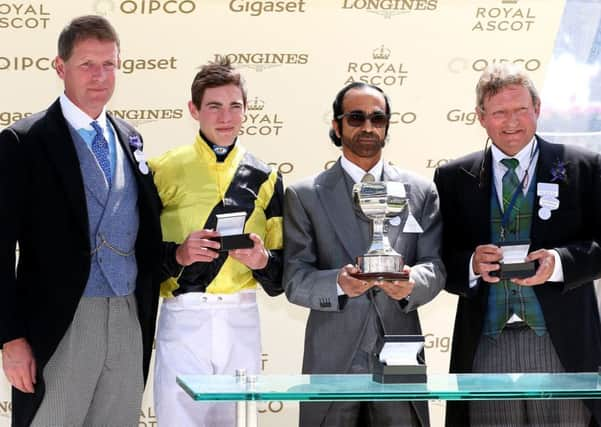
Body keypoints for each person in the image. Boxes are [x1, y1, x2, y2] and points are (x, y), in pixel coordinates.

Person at [0, 15, 163, 427]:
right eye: (87, 64)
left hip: (128, 318)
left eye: (109, 64)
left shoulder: (130, 137)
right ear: (60, 67)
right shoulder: (24, 141)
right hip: (60, 322)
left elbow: (141, 234)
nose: (100, 76)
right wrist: (10, 338)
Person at [434, 63, 601, 426]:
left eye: (521, 109)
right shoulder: (452, 177)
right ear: (481, 117)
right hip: (486, 344)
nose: (512, 122)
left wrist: (558, 262)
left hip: (561, 346)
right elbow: (439, 258)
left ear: (537, 109)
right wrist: (471, 264)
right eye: (499, 113)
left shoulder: (583, 166)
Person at [283, 82, 444, 427]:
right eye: (356, 118)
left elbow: (435, 265)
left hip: (401, 351)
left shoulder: (420, 190)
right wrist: (339, 285)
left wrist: (411, 284)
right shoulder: (304, 195)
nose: (368, 127)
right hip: (333, 358)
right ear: (336, 125)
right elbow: (295, 279)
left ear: (387, 126)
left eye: (377, 118)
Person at [149, 58, 284, 427]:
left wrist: (262, 261)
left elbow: (284, 269)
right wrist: (178, 253)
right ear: (194, 110)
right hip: (183, 316)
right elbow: (137, 251)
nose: (226, 117)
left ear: (246, 110)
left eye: (235, 106)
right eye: (214, 106)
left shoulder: (266, 176)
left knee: (240, 421)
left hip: (241, 315)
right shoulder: (161, 169)